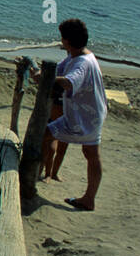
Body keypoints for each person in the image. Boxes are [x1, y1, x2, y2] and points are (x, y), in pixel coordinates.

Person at [44, 18, 107, 211]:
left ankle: (30, 178)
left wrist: (48, 79)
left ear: (67, 41)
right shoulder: (78, 56)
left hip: (85, 116)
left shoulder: (81, 62)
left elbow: (69, 82)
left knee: (45, 135)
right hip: (92, 113)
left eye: (62, 38)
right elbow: (60, 69)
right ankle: (89, 199)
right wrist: (42, 73)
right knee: (91, 154)